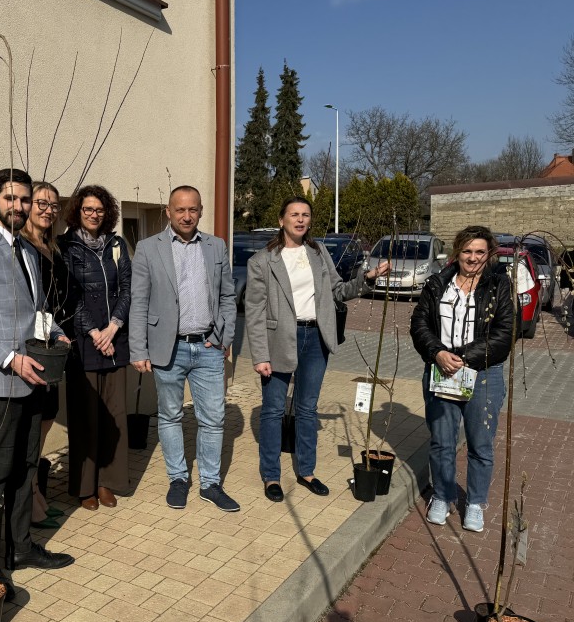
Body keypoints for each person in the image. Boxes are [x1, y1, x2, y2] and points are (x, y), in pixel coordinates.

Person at [0, 168, 75, 599]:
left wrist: (55, 330)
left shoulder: (28, 249)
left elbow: (35, 310)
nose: (18, 206)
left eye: (24, 199)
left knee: (25, 468)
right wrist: (9, 359)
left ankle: (20, 547)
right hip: (0, 383)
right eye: (10, 198)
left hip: (33, 377)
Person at [245, 196, 389, 502]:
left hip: (315, 338)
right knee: (273, 410)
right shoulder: (262, 261)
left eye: (305, 215)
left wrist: (367, 279)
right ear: (282, 220)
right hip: (279, 340)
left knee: (307, 409)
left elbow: (338, 291)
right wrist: (260, 355)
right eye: (294, 214)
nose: (300, 219)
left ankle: (306, 471)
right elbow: (254, 312)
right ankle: (271, 476)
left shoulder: (318, 252)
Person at [128, 185, 239, 512]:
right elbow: (139, 302)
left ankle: (210, 484)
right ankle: (178, 478)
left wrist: (224, 337)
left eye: (193, 209)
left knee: (213, 418)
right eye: (180, 210)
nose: (187, 216)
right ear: (168, 212)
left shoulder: (216, 246)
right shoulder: (148, 248)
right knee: (170, 416)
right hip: (168, 348)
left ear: (200, 211)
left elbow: (228, 296)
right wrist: (138, 349)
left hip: (208, 347)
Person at [409, 225, 512, 532]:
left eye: (480, 251)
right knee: (442, 441)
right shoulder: (438, 283)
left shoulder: (498, 285)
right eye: (467, 251)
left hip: (483, 374)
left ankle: (476, 502)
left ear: (489, 254)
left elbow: (504, 334)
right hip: (441, 370)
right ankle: (443, 495)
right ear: (457, 252)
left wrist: (464, 356)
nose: (473, 257)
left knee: (480, 443)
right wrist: (437, 353)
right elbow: (419, 324)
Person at [58, 185, 132, 511]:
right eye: (88, 209)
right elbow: (69, 295)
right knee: (85, 417)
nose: (93, 214)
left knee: (114, 416)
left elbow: (128, 288)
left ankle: (106, 482)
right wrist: (93, 332)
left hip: (115, 340)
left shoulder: (117, 244)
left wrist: (113, 327)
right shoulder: (66, 246)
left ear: (107, 213)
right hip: (83, 343)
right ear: (78, 211)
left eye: (99, 210)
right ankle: (84, 485)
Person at [20, 181, 69, 528]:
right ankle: (31, 498)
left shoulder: (51, 246)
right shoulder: (21, 247)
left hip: (52, 341)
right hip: (33, 344)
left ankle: (35, 490)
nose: (48, 210)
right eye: (42, 203)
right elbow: (30, 304)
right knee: (34, 423)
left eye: (53, 205)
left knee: (48, 415)